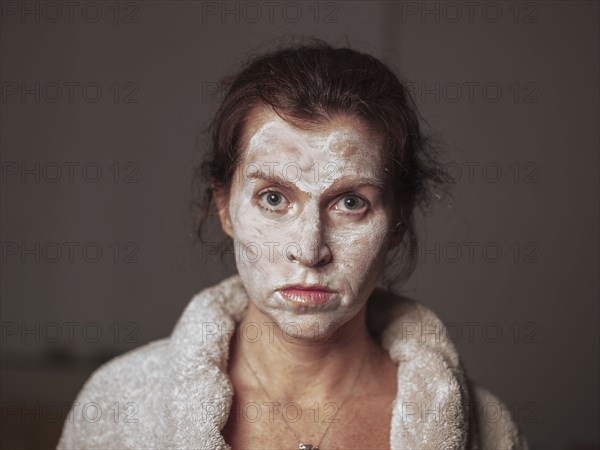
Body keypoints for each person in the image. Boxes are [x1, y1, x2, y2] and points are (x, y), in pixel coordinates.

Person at [57, 39, 528, 449]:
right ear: (224, 206)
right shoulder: (118, 404)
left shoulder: (490, 429)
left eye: (350, 202)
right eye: (275, 198)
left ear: (398, 220)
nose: (309, 250)